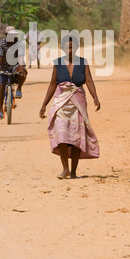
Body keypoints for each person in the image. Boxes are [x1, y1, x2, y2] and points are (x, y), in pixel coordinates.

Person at [39, 35, 100, 179]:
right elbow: (52, 84)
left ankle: (73, 172)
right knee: (62, 134)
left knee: (77, 136)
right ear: (62, 48)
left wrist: (95, 97)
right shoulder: (58, 63)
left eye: (72, 47)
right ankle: (65, 168)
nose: (70, 50)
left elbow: (89, 81)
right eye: (67, 47)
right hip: (61, 101)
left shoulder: (83, 63)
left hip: (78, 101)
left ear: (77, 47)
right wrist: (44, 104)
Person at [0, 26, 27, 119]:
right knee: (1, 88)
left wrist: (21, 68)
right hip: (3, 66)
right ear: (6, 35)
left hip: (15, 66)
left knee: (23, 72)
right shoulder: (1, 44)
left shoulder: (19, 43)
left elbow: (20, 57)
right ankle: (0, 109)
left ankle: (19, 88)